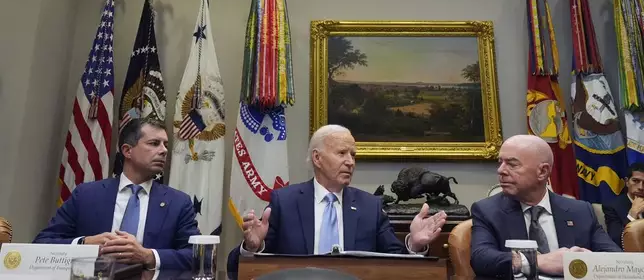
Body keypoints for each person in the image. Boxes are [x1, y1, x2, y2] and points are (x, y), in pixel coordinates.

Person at [227, 125, 447, 279]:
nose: (350, 162)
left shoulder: (370, 206)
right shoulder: (285, 202)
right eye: (342, 153)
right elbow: (236, 270)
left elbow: (395, 264)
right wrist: (252, 247)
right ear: (317, 158)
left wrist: (415, 245)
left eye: (353, 155)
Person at [34, 118, 200, 270]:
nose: (163, 151)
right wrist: (85, 242)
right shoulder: (86, 195)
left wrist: (148, 256)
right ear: (127, 151)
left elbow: (198, 256)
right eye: (154, 143)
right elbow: (42, 243)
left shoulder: (178, 202)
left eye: (165, 145)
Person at [470, 134, 620, 278]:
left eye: (512, 164)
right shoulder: (487, 210)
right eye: (500, 162)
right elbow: (481, 258)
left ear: (542, 171)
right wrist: (537, 261)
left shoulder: (580, 211)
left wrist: (590, 259)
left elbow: (615, 258)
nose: (501, 170)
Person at [602, 162, 644, 247]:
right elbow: (616, 241)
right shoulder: (612, 206)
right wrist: (632, 215)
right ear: (627, 182)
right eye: (636, 181)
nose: (641, 187)